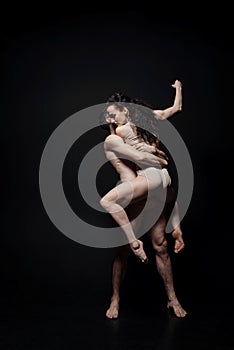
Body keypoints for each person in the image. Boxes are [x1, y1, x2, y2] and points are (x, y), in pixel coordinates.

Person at [100, 80, 187, 318]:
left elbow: (174, 109)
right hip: (144, 185)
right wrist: (155, 154)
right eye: (107, 117)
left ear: (124, 110)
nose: (110, 119)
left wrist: (177, 88)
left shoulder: (139, 123)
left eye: (111, 114)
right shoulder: (119, 133)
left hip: (155, 183)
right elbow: (174, 109)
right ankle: (115, 298)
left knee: (161, 246)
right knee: (123, 250)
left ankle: (172, 299)